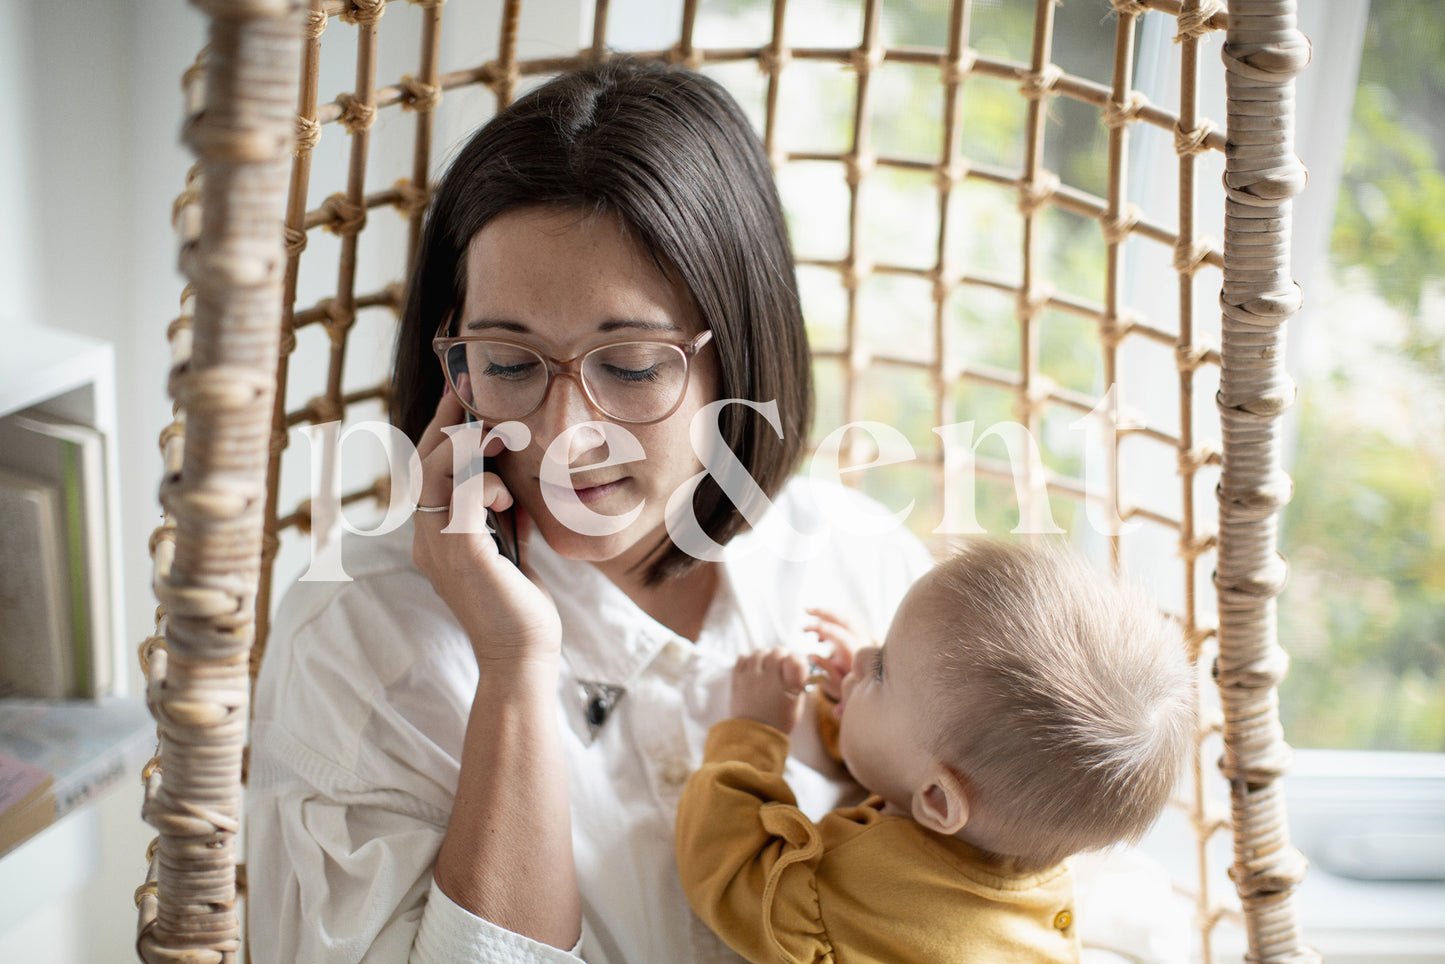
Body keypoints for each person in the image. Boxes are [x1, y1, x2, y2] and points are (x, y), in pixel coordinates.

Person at [245, 58, 933, 963]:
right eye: (509, 361)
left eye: (633, 365)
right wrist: (513, 669)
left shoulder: (856, 561)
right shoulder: (357, 640)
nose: (563, 437)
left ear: (740, 358)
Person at [674, 539, 1195, 964]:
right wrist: (860, 699)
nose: (858, 654)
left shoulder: (855, 898)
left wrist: (751, 731)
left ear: (940, 802)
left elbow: (726, 872)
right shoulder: (1020, 851)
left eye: (880, 668)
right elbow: (902, 775)